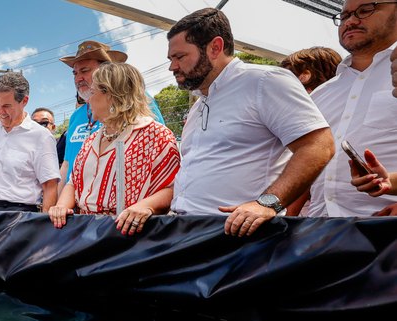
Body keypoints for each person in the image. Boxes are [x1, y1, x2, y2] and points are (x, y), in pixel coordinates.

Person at [166, 8, 334, 236]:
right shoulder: (198, 105)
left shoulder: (264, 81)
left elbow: (319, 146)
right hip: (186, 232)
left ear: (215, 47)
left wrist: (268, 203)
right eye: (171, 59)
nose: (173, 67)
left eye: (180, 57)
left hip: (238, 238)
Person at [48, 62, 180, 236]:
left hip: (129, 236)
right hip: (85, 234)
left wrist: (146, 206)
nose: (88, 100)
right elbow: (73, 182)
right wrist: (61, 207)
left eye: (93, 92)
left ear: (111, 95)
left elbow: (173, 187)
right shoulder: (92, 140)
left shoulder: (155, 135)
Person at [306, 0, 397, 217]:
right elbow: (306, 161)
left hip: (384, 228)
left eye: (365, 10)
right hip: (318, 225)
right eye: (344, 16)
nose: (350, 21)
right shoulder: (322, 93)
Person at [59, 41, 166, 191]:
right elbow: (66, 164)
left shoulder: (137, 101)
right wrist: (57, 201)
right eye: (75, 73)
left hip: (125, 199)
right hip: (74, 200)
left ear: (106, 71)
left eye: (85, 71)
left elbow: (157, 153)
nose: (78, 79)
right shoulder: (76, 115)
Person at [0, 72, 60, 212]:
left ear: (24, 101)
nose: (0, 112)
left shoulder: (41, 137)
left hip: (17, 216)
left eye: (6, 106)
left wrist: (43, 223)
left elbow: (50, 186)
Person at [279, 47, 343, 215]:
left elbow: (308, 169)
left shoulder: (315, 108)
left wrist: (288, 216)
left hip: (306, 206)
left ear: (306, 75)